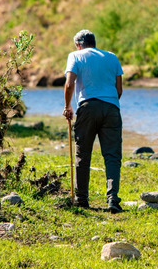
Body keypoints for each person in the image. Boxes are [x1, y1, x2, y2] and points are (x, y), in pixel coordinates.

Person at [63, 29, 124, 213]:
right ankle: (113, 200)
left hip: (87, 107)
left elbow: (69, 83)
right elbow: (119, 89)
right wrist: (108, 104)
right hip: (112, 108)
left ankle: (81, 199)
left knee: (83, 154)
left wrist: (68, 106)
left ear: (78, 45)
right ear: (94, 43)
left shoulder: (75, 55)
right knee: (112, 156)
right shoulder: (112, 57)